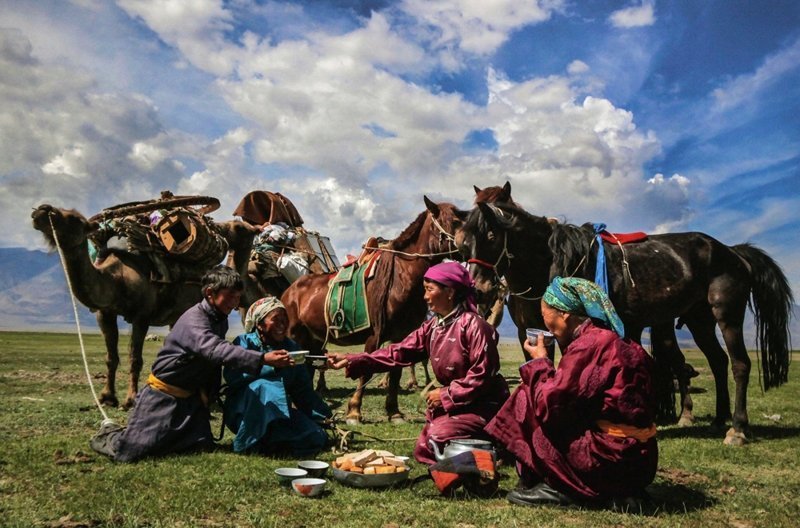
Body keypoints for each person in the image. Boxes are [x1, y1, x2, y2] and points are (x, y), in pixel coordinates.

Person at [485, 276, 658, 509]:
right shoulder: (619, 341)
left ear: (564, 313)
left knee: (527, 397)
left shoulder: (590, 345)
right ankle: (618, 491)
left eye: (546, 316)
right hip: (642, 462)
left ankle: (562, 487)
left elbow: (550, 405)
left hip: (611, 462)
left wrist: (540, 362)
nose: (546, 325)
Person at [328, 261, 510, 465]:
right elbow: (398, 352)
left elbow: (482, 375)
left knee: (435, 439)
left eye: (429, 290)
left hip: (483, 405)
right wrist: (355, 360)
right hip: (458, 405)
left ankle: (496, 443)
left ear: (449, 292)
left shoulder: (474, 325)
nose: (424, 297)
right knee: (427, 444)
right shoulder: (434, 326)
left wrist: (445, 394)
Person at [90, 266, 274, 462]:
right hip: (162, 397)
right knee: (129, 452)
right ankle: (108, 433)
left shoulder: (220, 319)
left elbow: (210, 360)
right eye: (230, 296)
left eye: (238, 297)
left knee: (200, 445)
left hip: (190, 402)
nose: (235, 302)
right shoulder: (195, 320)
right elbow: (214, 349)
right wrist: (261, 359)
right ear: (210, 293)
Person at [223, 296, 331, 456]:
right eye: (275, 319)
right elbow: (233, 376)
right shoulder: (244, 343)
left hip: (279, 412)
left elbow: (303, 390)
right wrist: (270, 366)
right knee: (265, 387)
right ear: (259, 324)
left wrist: (324, 417)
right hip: (245, 412)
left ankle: (270, 444)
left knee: (318, 436)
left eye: (284, 318)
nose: (282, 324)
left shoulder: (291, 347)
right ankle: (247, 443)